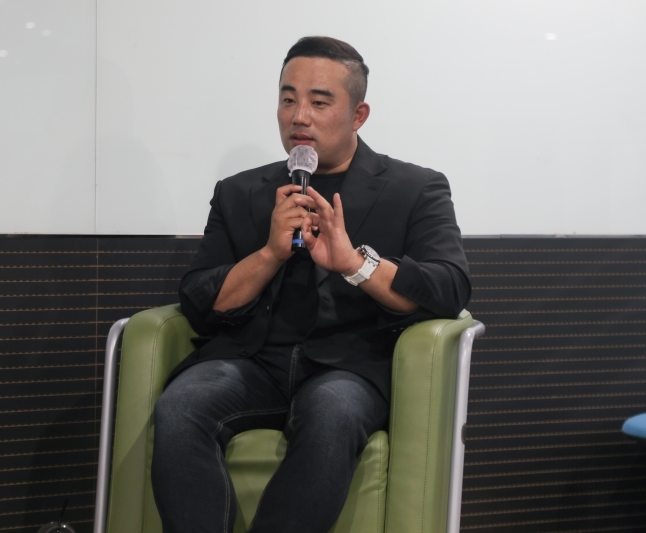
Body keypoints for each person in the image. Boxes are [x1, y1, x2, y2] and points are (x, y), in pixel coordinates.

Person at [151, 36, 471, 533]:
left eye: (319, 102)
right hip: (254, 362)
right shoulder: (239, 192)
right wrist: (269, 254)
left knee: (331, 411)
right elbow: (200, 301)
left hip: (350, 367)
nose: (298, 116)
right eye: (288, 99)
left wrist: (354, 264)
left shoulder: (415, 189)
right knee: (181, 405)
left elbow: (448, 287)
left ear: (358, 114)